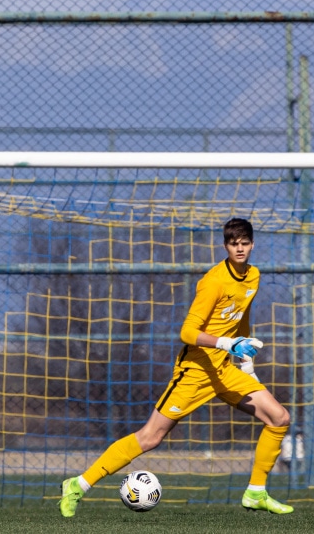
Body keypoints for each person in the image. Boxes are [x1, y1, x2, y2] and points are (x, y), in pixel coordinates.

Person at [58, 217, 293, 516]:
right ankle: (78, 484)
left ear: (252, 245)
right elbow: (187, 332)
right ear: (225, 246)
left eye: (244, 243)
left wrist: (245, 360)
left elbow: (240, 318)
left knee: (279, 418)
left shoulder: (253, 276)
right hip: (195, 371)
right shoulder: (213, 282)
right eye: (234, 244)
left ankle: (256, 492)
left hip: (224, 370)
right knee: (151, 437)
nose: (240, 249)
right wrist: (227, 344)